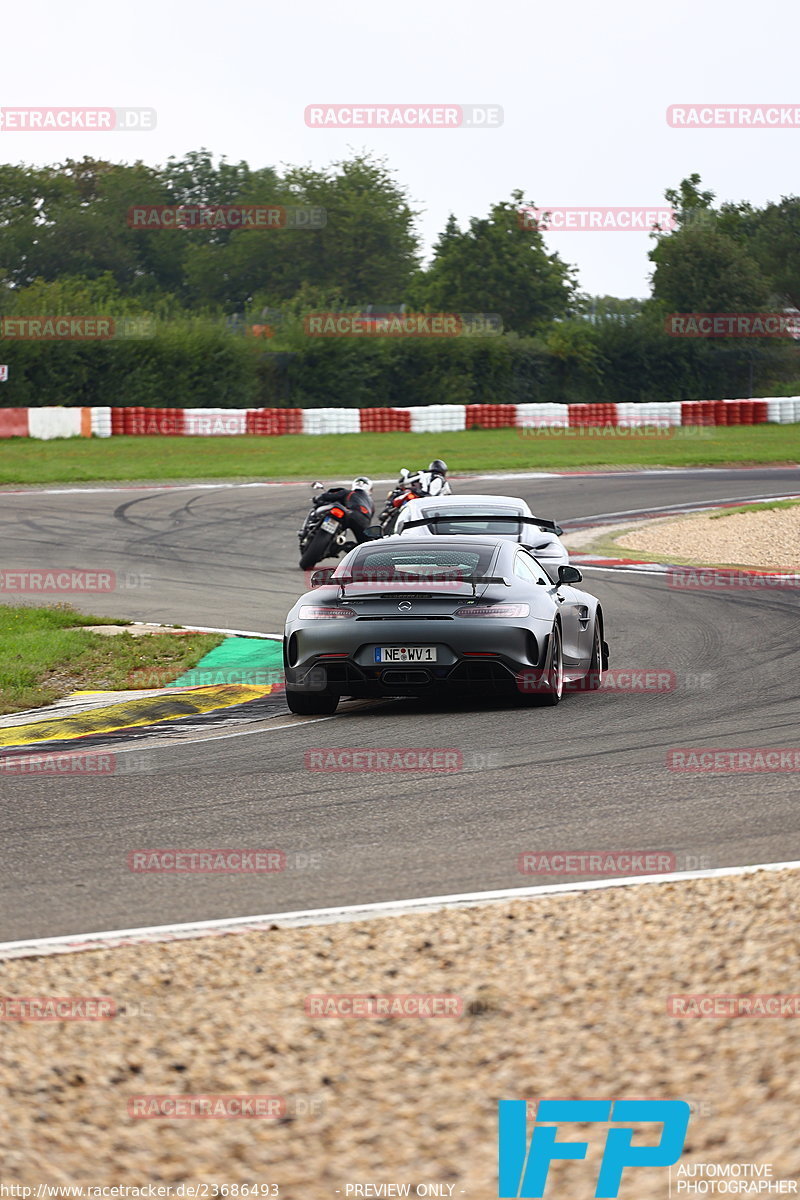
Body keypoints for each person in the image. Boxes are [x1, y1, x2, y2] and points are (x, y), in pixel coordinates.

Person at [312, 476, 375, 543]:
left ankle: (315, 527)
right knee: (363, 543)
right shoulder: (371, 503)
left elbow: (327, 496)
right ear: (370, 489)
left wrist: (317, 498)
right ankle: (347, 547)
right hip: (364, 521)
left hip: (350, 514)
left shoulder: (349, 492)